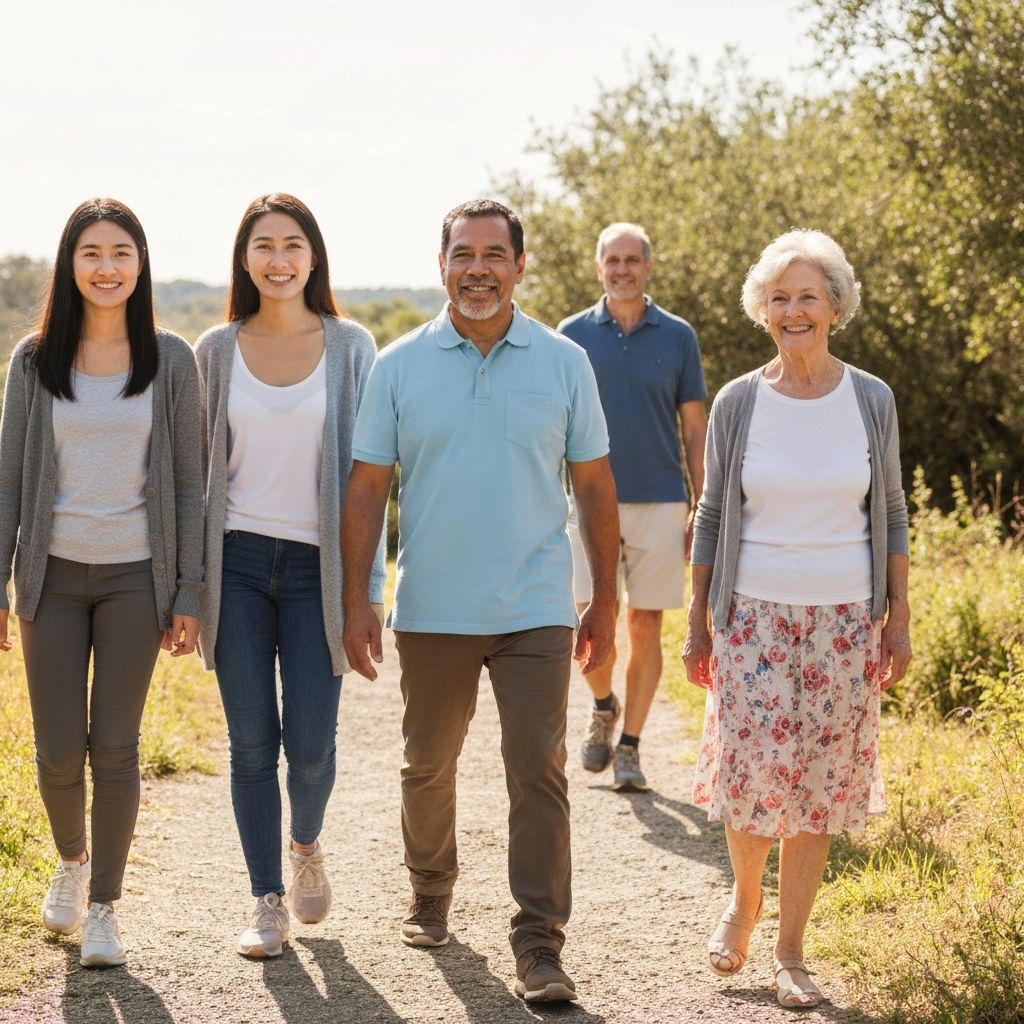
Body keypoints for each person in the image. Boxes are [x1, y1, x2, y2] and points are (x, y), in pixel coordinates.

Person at [341, 199, 618, 1004]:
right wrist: (362, 598)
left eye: (495, 254)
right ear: (441, 266)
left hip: (537, 602)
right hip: (432, 605)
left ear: (520, 267)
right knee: (428, 764)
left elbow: (595, 484)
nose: (479, 269)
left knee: (539, 770)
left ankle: (539, 944)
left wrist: (602, 598)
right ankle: (430, 889)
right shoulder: (397, 365)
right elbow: (366, 488)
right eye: (463, 254)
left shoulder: (565, 362)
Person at [682, 229, 911, 1009]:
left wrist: (899, 618)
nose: (794, 310)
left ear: (835, 307)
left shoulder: (870, 398)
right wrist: (696, 621)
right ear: (762, 310)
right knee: (751, 780)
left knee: (816, 789)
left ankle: (790, 951)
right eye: (779, 297)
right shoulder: (739, 401)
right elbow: (712, 512)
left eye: (808, 295)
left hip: (846, 621)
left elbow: (893, 513)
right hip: (752, 618)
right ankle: (743, 901)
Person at [0, 198, 204, 968]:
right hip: (47, 578)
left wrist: (188, 590)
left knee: (114, 746)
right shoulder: (32, 358)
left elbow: (191, 480)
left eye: (121, 252)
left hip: (132, 580)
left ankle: (105, 911)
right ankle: (72, 861)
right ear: (70, 264)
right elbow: (8, 484)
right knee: (57, 751)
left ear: (140, 264)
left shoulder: (170, 357)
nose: (107, 267)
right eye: (92, 253)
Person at [195, 193, 385, 959]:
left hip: (319, 569)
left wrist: (367, 593)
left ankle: (306, 843)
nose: (279, 259)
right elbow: (191, 475)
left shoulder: (351, 346)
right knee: (250, 745)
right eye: (264, 245)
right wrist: (184, 586)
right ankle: (266, 898)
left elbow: (371, 482)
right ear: (246, 258)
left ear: (314, 257)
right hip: (234, 565)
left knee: (309, 746)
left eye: (293, 244)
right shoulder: (214, 349)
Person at [559, 223, 707, 792]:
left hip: (661, 501)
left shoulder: (677, 336)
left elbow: (694, 428)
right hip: (586, 503)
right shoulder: (570, 336)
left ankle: (630, 747)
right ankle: (603, 705)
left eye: (631, 260)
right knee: (588, 622)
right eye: (612, 260)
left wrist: (703, 503)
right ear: (599, 268)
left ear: (647, 267)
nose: (621, 269)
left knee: (645, 626)